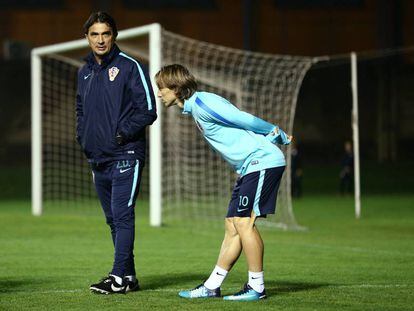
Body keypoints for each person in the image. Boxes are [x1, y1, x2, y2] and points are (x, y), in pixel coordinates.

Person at [155, 64, 292, 301]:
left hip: (262, 161)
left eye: (161, 88)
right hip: (250, 167)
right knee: (232, 224)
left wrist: (274, 131)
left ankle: (257, 287)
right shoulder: (195, 108)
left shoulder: (203, 103)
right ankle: (212, 286)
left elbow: (243, 118)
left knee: (243, 222)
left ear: (176, 88)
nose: (159, 93)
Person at [75, 12, 157, 294]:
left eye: (105, 34)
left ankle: (118, 278)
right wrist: (83, 137)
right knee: (112, 219)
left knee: (122, 216)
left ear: (114, 36)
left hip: (126, 154)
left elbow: (148, 110)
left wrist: (120, 134)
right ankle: (129, 276)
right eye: (94, 34)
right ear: (86, 37)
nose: (100, 40)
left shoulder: (130, 67)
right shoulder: (83, 71)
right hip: (98, 158)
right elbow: (81, 109)